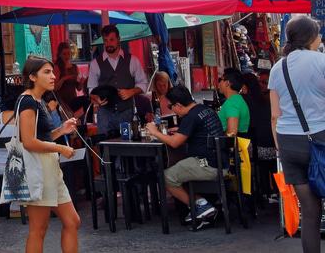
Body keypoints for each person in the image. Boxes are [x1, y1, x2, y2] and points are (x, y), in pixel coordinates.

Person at [268, 15, 325, 253]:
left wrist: (281, 149)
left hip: (288, 143)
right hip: (320, 138)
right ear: (311, 37)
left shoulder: (276, 68)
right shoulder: (321, 61)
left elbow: (274, 115)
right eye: (319, 33)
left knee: (310, 215)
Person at [17, 56, 80, 253]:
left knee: (72, 221)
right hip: (38, 168)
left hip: (50, 167)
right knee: (39, 229)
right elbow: (28, 141)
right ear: (33, 77)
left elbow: (43, 136)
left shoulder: (40, 100)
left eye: (52, 72)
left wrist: (61, 130)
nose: (53, 76)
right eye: (47, 72)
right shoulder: (27, 102)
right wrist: (61, 148)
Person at [145, 84, 226, 229]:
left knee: (166, 177)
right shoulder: (205, 109)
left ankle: (200, 206)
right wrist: (181, 130)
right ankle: (201, 205)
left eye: (171, 107)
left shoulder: (191, 117)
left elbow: (175, 143)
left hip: (208, 165)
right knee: (179, 167)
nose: (172, 110)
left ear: (178, 105)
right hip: (221, 162)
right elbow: (198, 130)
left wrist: (155, 132)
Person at [86, 25, 148, 133]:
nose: (108, 43)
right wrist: (96, 98)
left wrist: (131, 91)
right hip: (104, 114)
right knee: (105, 147)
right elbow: (91, 89)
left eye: (111, 40)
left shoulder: (132, 60)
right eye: (105, 40)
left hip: (126, 112)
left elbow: (143, 84)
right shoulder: (95, 63)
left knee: (126, 146)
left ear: (118, 39)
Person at [217, 70, 250, 136]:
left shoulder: (232, 103)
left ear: (227, 83)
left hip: (231, 145)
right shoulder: (238, 99)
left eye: (221, 79)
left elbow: (232, 133)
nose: (219, 83)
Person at [54, 41, 82, 113]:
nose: (67, 56)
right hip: (61, 101)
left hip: (73, 99)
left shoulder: (75, 67)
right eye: (64, 54)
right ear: (60, 55)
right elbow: (55, 88)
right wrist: (64, 79)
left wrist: (82, 81)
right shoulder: (57, 67)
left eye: (68, 54)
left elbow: (78, 88)